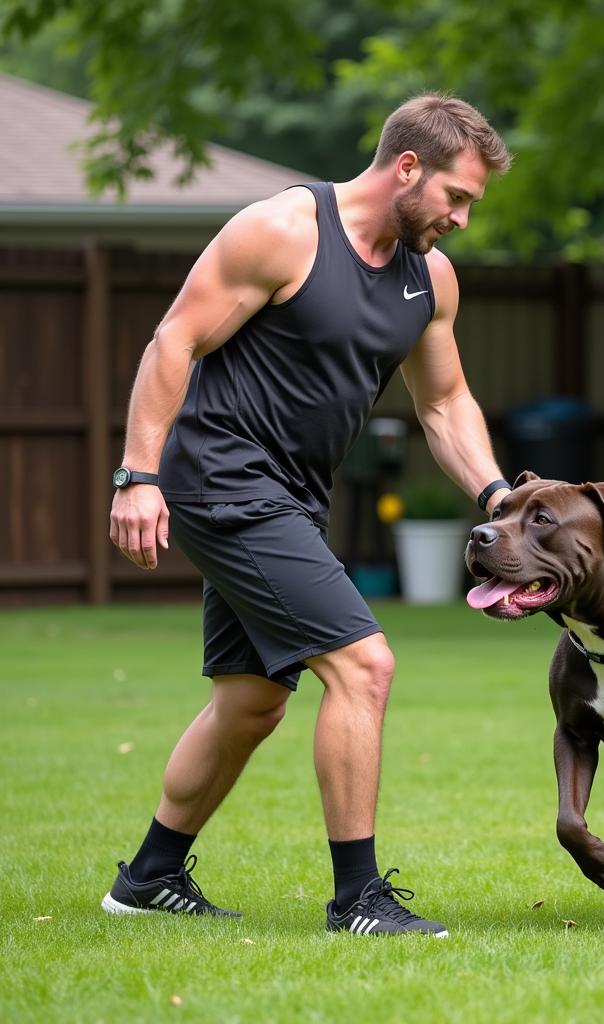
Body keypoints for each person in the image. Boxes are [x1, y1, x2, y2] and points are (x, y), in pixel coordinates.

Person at [102, 94, 513, 938]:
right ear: (407, 168)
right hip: (221, 477)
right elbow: (173, 339)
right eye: (456, 197)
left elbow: (444, 403)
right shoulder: (285, 230)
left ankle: (148, 877)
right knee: (365, 666)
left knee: (253, 701)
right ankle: (357, 900)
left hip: (292, 497)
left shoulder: (426, 277)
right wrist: (136, 475)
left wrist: (498, 498)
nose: (463, 219)